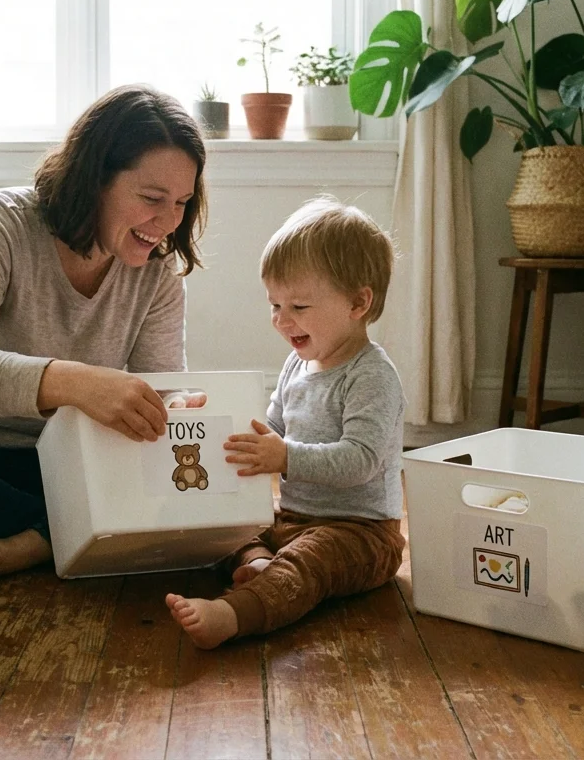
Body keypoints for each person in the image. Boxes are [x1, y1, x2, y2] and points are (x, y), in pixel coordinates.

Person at [0, 85, 207, 591]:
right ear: (95, 178)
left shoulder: (157, 273)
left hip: (62, 457)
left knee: (163, 482)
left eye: (182, 202)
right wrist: (72, 382)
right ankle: (63, 535)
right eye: (151, 198)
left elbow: (161, 387)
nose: (167, 223)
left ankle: (31, 543)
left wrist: (188, 411)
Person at [165, 196, 408, 649]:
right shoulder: (297, 365)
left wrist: (285, 456)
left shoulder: (372, 375)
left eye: (298, 306)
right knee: (227, 526)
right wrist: (216, 419)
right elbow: (269, 427)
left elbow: (363, 461)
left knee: (307, 564)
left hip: (359, 531)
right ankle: (257, 559)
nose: (280, 319)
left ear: (358, 303)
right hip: (293, 517)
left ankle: (235, 614)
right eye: (274, 304)